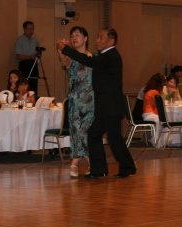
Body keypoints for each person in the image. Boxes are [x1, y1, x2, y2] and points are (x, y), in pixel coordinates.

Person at [57, 27, 136, 179]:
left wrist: (66, 49)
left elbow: (89, 61)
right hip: (104, 106)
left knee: (113, 138)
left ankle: (127, 167)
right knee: (94, 135)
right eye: (98, 37)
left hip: (111, 106)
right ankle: (99, 169)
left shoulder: (110, 55)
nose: (97, 41)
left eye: (101, 38)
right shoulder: (105, 55)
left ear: (111, 41)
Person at [56, 26, 94, 177]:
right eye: (72, 35)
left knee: (87, 132)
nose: (74, 37)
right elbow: (64, 61)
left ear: (85, 38)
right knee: (77, 131)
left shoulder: (93, 58)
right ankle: (85, 162)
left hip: (91, 102)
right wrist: (60, 49)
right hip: (76, 101)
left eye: (78, 34)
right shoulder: (71, 57)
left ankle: (77, 162)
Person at [15, 21, 41, 94]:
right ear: (24, 29)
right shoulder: (20, 40)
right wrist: (29, 57)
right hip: (24, 65)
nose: (31, 31)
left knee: (34, 85)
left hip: (33, 64)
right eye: (29, 29)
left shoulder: (35, 41)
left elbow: (38, 53)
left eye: (32, 29)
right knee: (24, 85)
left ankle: (33, 98)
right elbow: (18, 56)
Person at [141, 73, 165, 146]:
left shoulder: (149, 91)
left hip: (146, 114)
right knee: (162, 121)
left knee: (162, 120)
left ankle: (156, 140)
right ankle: (157, 142)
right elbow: (158, 107)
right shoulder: (154, 92)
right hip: (150, 114)